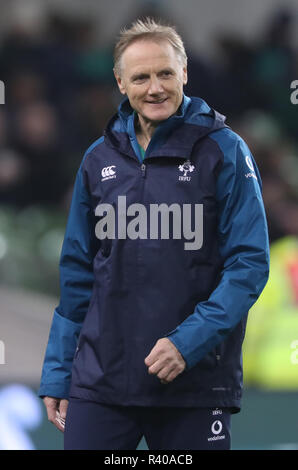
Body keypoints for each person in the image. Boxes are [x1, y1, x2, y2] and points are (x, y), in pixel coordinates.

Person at [38, 18, 270, 450]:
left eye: (165, 73)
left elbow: (249, 266)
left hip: (193, 382)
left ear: (184, 72)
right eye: (141, 77)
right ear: (120, 82)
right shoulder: (97, 158)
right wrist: (58, 371)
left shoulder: (225, 150)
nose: (155, 87)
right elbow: (77, 276)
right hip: (101, 381)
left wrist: (188, 343)